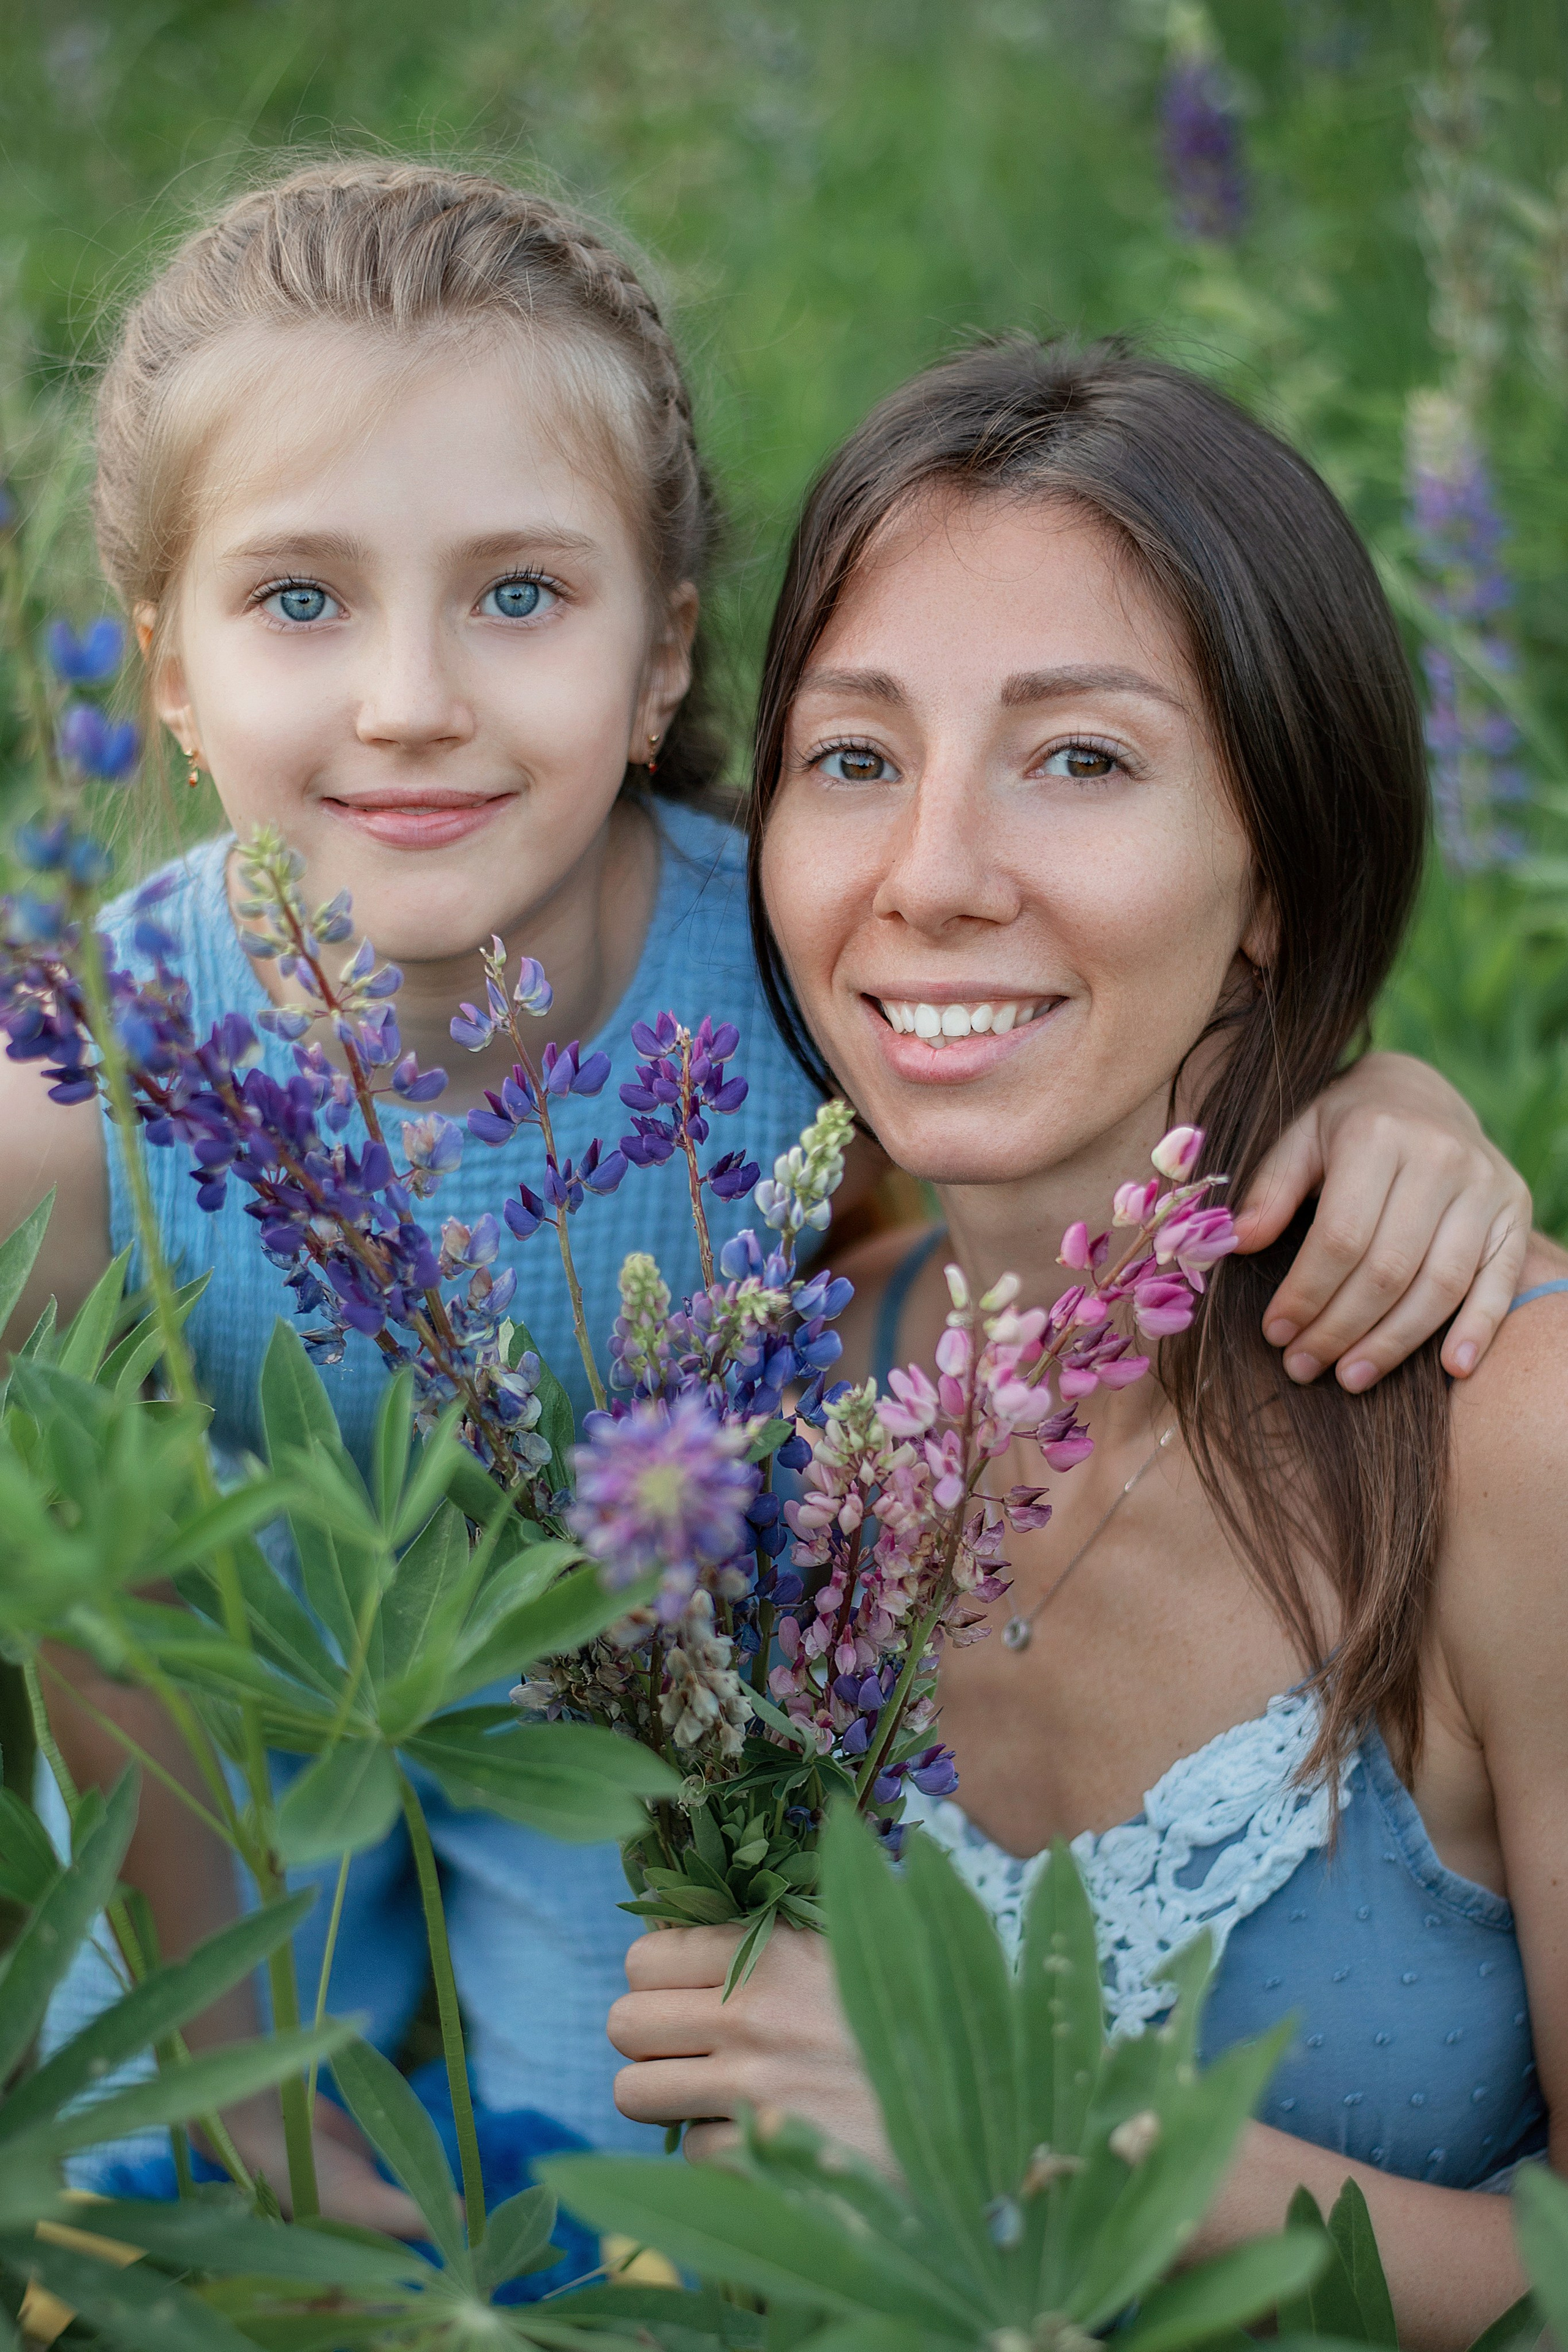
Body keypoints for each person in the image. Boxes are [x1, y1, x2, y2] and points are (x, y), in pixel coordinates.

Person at [0, 164, 1529, 2222]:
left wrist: (1384, 1095)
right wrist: (251, 2126)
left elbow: (1072, 1062)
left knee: (628, 2214)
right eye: (298, 600)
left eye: (519, 596)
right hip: (231, 1811)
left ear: (662, 664)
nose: (410, 699)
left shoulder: (777, 981)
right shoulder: (80, 1104)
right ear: (162, 671)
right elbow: (95, 1618)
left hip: (602, 1779)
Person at [605, 337, 1567, 2348]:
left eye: (1081, 760)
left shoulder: (1514, 1436)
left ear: (1277, 873)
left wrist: (1023, 2124)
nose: (934, 877)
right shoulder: (767, 1409)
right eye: (854, 759)